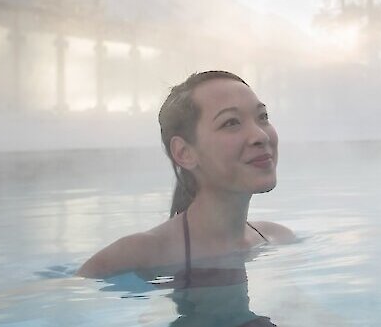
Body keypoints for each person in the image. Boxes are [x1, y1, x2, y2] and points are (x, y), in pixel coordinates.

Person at [78, 70, 295, 280]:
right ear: (185, 153)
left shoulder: (276, 238)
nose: (260, 135)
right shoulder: (140, 255)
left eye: (262, 117)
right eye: (231, 122)